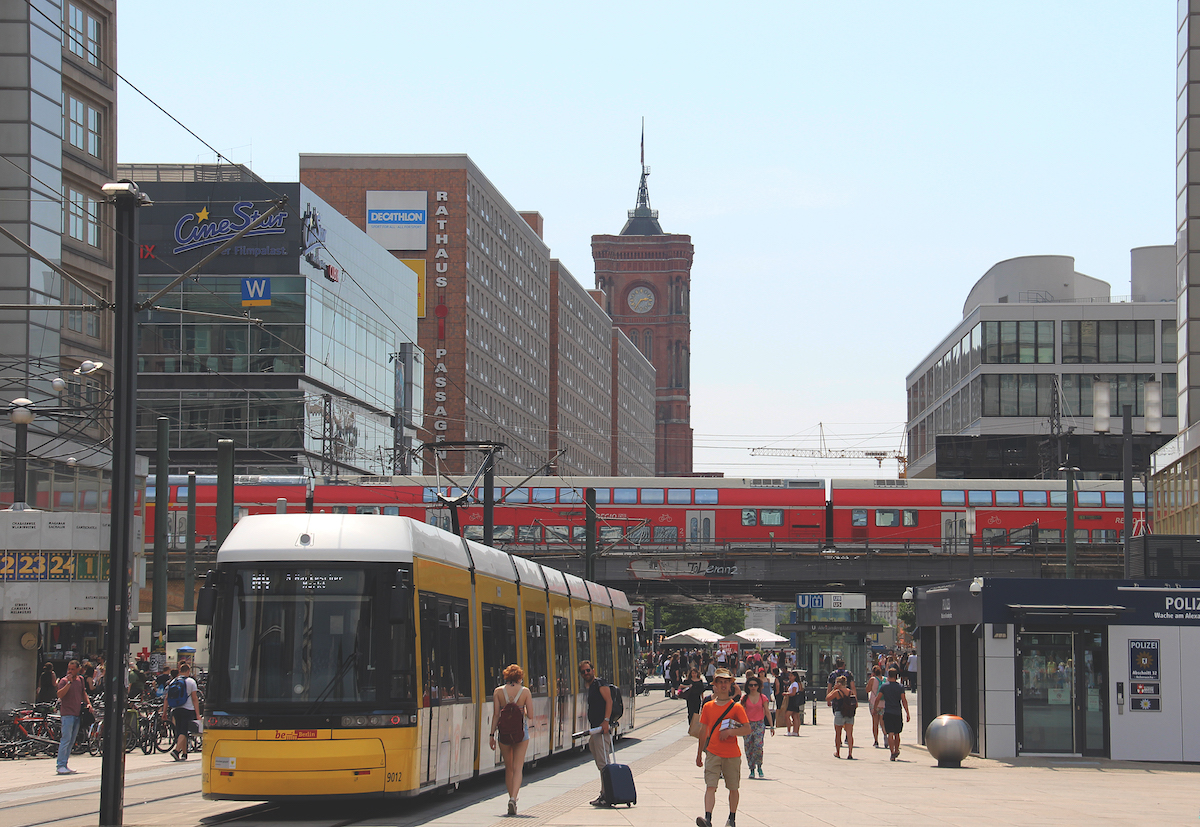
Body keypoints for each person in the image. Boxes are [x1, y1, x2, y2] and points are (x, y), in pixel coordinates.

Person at [695, 668, 751, 827]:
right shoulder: (708, 706)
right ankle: (708, 818)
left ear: (731, 685)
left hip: (732, 754)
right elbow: (703, 731)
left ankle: (732, 818)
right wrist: (699, 753)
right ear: (715, 686)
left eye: (726, 682)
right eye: (720, 682)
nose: (723, 685)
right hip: (713, 752)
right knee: (710, 785)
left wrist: (731, 731)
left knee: (733, 787)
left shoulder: (736, 708)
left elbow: (747, 728)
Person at [489, 664, 534, 816]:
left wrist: (491, 735)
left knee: (508, 768)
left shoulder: (498, 692)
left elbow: (496, 715)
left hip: (504, 733)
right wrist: (523, 710)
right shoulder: (525, 691)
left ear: (506, 677)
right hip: (521, 732)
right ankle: (514, 798)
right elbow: (531, 715)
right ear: (520, 677)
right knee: (518, 767)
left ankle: (510, 797)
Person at [579, 660, 614, 807]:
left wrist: (606, 721)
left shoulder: (600, 683)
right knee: (597, 753)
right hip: (595, 729)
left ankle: (607, 794)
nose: (586, 673)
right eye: (583, 672)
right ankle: (605, 792)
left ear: (593, 670)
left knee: (603, 762)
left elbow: (609, 701)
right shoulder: (592, 686)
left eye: (588, 670)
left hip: (601, 728)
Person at [55, 659, 93, 775]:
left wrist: (88, 703)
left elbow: (83, 693)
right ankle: (60, 765)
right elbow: (60, 694)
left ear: (78, 669)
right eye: (69, 669)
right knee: (65, 739)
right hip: (67, 714)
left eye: (72, 669)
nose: (70, 671)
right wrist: (69, 683)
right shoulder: (64, 681)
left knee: (71, 741)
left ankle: (65, 764)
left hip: (77, 713)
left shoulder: (80, 679)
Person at [161, 661, 200, 761]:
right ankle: (176, 751)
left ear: (180, 671)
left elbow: (166, 698)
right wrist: (198, 714)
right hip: (188, 709)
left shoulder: (173, 681)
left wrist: (164, 712)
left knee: (180, 731)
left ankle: (184, 753)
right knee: (184, 731)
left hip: (176, 709)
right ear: (188, 671)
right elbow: (195, 698)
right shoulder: (191, 681)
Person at [739, 674, 772, 778]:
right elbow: (740, 712)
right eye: (751, 685)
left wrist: (771, 726)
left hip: (759, 724)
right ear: (748, 686)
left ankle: (759, 766)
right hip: (747, 725)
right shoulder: (744, 698)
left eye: (755, 685)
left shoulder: (763, 698)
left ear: (758, 686)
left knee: (758, 746)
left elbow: (767, 711)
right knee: (749, 747)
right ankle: (751, 768)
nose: (753, 687)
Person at [877, 667, 910, 761]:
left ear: (888, 675)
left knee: (890, 733)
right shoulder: (900, 687)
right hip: (897, 712)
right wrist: (907, 713)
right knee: (897, 733)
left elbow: (878, 698)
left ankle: (892, 753)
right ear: (896, 676)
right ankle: (896, 750)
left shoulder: (884, 686)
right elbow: (904, 700)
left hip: (888, 712)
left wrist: (876, 708)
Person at [825, 674, 856, 759]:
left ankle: (838, 752)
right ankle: (850, 753)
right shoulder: (850, 691)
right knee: (849, 734)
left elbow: (827, 698)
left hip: (839, 713)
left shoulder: (837, 692)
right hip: (849, 714)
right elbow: (855, 702)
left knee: (838, 734)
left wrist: (833, 690)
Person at [866, 665, 885, 748]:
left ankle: (876, 741)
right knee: (883, 722)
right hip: (884, 703)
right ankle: (885, 735)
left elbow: (867, 690)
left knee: (875, 722)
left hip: (874, 703)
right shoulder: (885, 679)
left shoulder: (873, 679)